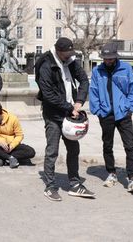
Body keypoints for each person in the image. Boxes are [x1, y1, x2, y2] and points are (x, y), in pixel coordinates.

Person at [35, 37, 94, 201]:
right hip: (53, 114)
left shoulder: (71, 61)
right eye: (66, 54)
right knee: (52, 151)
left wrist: (79, 101)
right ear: (58, 51)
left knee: (74, 149)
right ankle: (50, 186)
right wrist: (70, 107)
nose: (69, 56)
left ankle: (75, 184)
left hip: (69, 114)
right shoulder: (45, 64)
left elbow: (83, 80)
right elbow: (48, 95)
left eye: (70, 53)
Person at [89, 43, 133, 193]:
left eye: (110, 58)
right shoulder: (97, 71)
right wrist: (98, 110)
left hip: (123, 113)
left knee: (129, 145)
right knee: (107, 145)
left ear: (115, 57)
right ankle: (111, 173)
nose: (108, 61)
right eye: (105, 58)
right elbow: (93, 91)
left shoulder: (125, 69)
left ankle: (132, 178)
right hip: (105, 114)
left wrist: (130, 108)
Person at [0, 99, 35, 168]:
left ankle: (1, 157)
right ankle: (10, 158)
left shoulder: (13, 118)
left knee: (31, 151)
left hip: (11, 145)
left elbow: (19, 135)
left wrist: (12, 146)